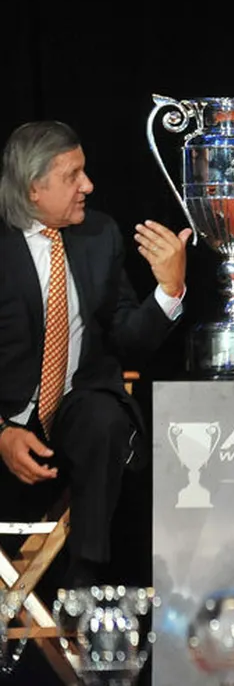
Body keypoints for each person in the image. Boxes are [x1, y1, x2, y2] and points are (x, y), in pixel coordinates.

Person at [0, 121, 191, 587]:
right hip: (6, 415)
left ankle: (82, 586)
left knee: (104, 420)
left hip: (75, 408)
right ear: (33, 188)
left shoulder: (99, 235)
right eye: (72, 176)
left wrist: (169, 289)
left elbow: (128, 340)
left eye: (84, 171)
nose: (88, 185)